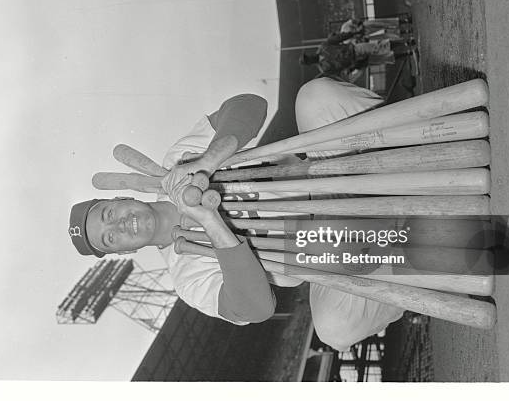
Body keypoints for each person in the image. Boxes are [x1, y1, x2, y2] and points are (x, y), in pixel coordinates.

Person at [68, 80, 404, 350]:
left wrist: (207, 160)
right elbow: (256, 309)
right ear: (123, 252)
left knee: (316, 98)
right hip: (332, 248)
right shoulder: (187, 277)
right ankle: (413, 256)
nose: (120, 224)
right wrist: (214, 227)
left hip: (329, 175)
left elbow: (249, 103)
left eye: (109, 212)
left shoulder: (178, 160)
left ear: (124, 196)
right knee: (335, 329)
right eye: (110, 237)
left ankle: (415, 147)